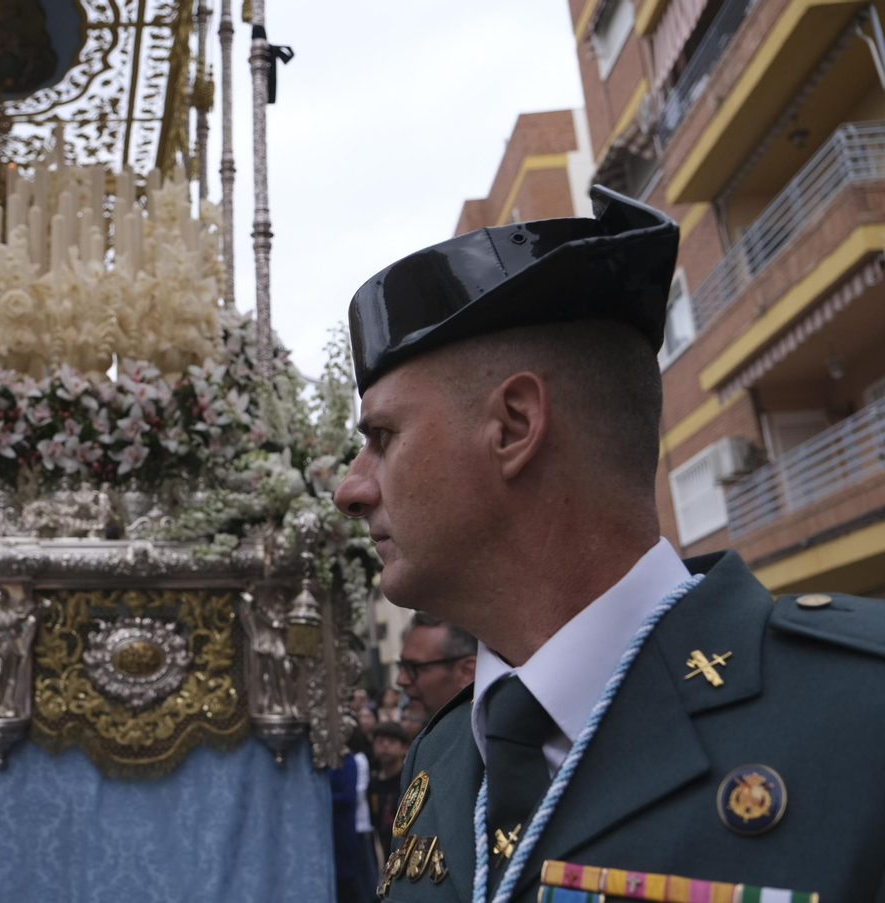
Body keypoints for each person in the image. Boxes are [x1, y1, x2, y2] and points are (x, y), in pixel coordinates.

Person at [335, 186, 885, 900]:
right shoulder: (442, 756)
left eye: (382, 437)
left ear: (513, 426)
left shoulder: (860, 705)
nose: (351, 488)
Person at [328, 731, 379, 903]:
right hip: (333, 830)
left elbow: (350, 796)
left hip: (347, 829)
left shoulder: (349, 759)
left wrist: (322, 798)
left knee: (354, 884)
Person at [364, 721, 409, 861]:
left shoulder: (409, 780)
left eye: (392, 742)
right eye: (380, 742)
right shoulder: (373, 783)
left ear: (404, 748)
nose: (385, 746)